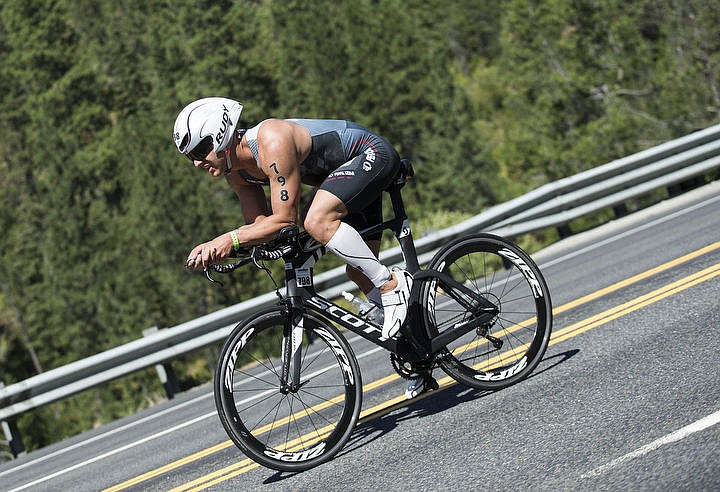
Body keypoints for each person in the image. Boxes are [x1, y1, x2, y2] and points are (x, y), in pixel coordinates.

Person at [173, 97, 426, 398]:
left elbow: (283, 219)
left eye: (200, 151)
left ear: (220, 135)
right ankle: (420, 354)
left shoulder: (271, 139)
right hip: (344, 179)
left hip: (370, 154)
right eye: (190, 157)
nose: (197, 163)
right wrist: (222, 248)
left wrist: (229, 239)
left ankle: (392, 284)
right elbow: (260, 228)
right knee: (359, 274)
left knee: (316, 221)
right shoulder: (237, 174)